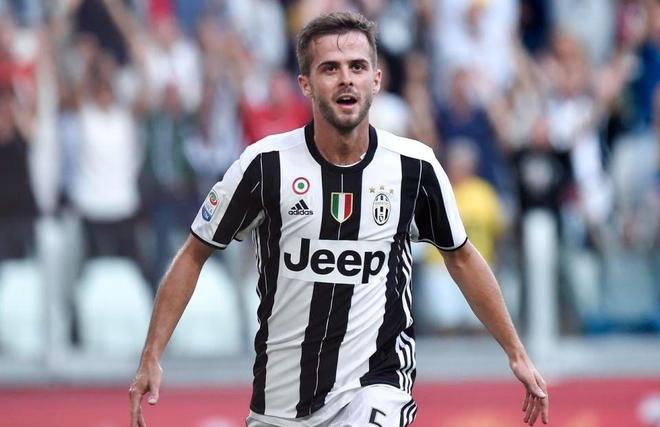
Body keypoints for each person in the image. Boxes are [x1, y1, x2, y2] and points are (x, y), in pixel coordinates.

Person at [129, 11, 549, 427]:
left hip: (377, 386)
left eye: (357, 67)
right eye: (330, 68)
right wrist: (151, 354)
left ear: (376, 80)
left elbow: (461, 257)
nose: (346, 78)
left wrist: (516, 352)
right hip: (281, 404)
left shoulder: (414, 167)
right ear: (306, 85)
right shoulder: (265, 165)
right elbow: (194, 253)